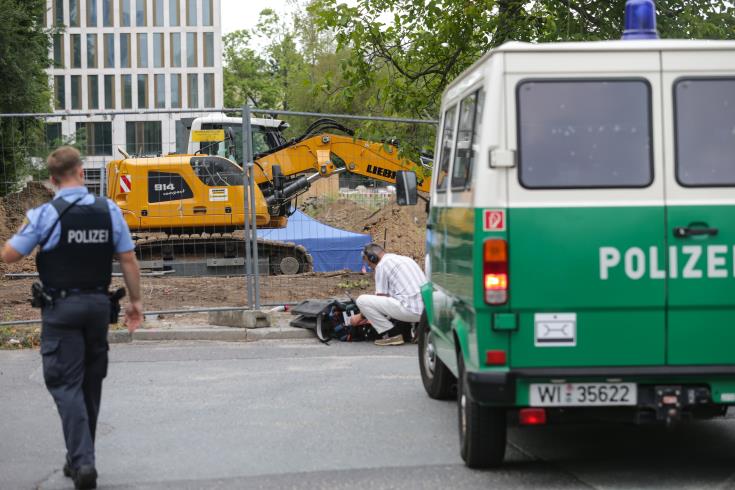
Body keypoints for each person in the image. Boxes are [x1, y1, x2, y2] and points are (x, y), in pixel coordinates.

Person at [0, 146, 143, 490]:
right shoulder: (108, 209)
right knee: (90, 383)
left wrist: (25, 225)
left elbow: (9, 255)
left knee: (65, 383)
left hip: (61, 310)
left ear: (51, 181)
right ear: (81, 172)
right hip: (97, 307)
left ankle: (83, 462)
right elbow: (127, 259)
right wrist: (135, 302)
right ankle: (78, 456)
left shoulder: (45, 214)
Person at [353, 243, 427, 346]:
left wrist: (360, 316)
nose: (370, 267)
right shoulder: (405, 259)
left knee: (362, 301)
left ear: (373, 258)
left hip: (411, 310)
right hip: (426, 311)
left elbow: (381, 297)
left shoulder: (382, 265)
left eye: (369, 264)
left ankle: (392, 335)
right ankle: (419, 329)